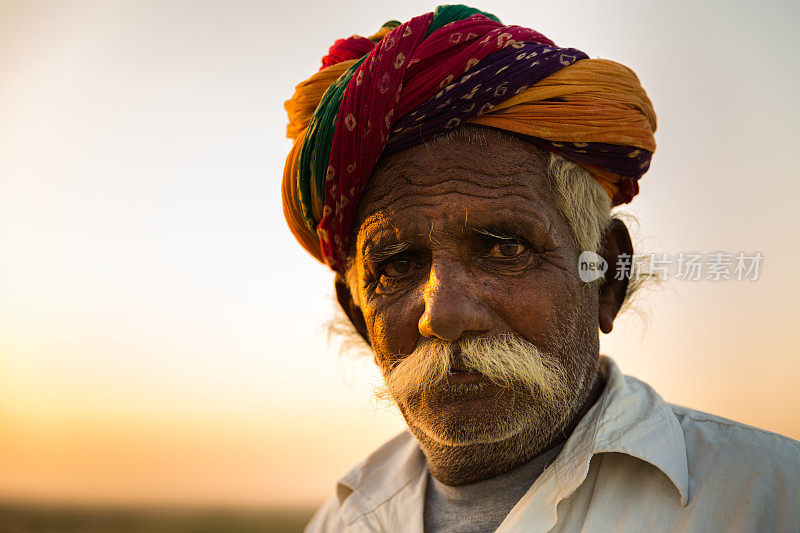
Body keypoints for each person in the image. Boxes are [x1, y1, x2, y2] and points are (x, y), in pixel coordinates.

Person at [281, 6, 800, 532]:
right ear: (358, 314)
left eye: (504, 249)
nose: (445, 314)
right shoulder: (344, 521)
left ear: (606, 277)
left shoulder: (769, 497)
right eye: (397, 264)